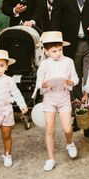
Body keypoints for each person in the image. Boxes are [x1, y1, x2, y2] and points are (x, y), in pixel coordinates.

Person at [34, 31, 79, 171]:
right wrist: (44, 85)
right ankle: (50, 158)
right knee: (50, 129)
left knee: (67, 128)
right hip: (50, 98)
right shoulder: (44, 64)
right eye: (54, 51)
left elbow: (76, 78)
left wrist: (70, 81)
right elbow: (39, 82)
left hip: (64, 97)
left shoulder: (68, 61)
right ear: (46, 51)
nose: (58, 53)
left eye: (60, 49)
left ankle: (70, 142)